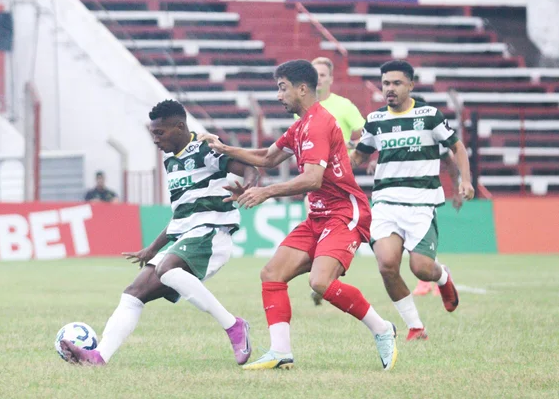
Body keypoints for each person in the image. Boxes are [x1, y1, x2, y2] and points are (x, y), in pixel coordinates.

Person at [200, 60, 397, 371]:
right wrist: (225, 148)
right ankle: (280, 352)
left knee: (320, 282)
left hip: (344, 214)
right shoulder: (300, 126)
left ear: (302, 89)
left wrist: (265, 192)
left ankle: (383, 329)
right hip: (318, 216)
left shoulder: (319, 123)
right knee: (271, 274)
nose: (278, 95)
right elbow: (267, 157)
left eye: (282, 88)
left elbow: (312, 179)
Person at [60, 99, 260, 366]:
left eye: (159, 133)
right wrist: (152, 249)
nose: (155, 139)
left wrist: (247, 188)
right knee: (133, 293)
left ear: (179, 127)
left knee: (167, 269)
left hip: (212, 233)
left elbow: (250, 167)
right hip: (189, 236)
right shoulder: (171, 162)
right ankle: (99, 356)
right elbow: (181, 215)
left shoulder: (204, 148)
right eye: (153, 133)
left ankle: (234, 326)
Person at [349, 60, 475, 341]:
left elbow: (457, 148)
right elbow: (359, 156)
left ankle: (442, 276)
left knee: (421, 268)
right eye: (385, 84)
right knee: (386, 265)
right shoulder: (375, 120)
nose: (389, 89)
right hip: (385, 204)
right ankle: (416, 327)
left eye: (396, 83)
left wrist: (464, 181)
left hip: (420, 204)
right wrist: (335, 155)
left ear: (410, 85)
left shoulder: (429, 115)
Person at [366, 95, 463, 297]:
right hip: (391, 200)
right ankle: (431, 279)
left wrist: (457, 189)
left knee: (420, 255)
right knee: (391, 256)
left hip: (422, 197)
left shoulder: (431, 131)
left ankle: (433, 276)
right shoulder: (391, 129)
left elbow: (451, 164)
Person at [309, 57, 366, 306]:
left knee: (334, 238)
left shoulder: (343, 106)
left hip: (339, 188)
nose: (318, 78)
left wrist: (354, 152)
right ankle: (322, 281)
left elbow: (365, 135)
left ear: (331, 79)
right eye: (314, 74)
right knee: (315, 237)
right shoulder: (303, 109)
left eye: (322, 74)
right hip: (312, 185)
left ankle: (324, 282)